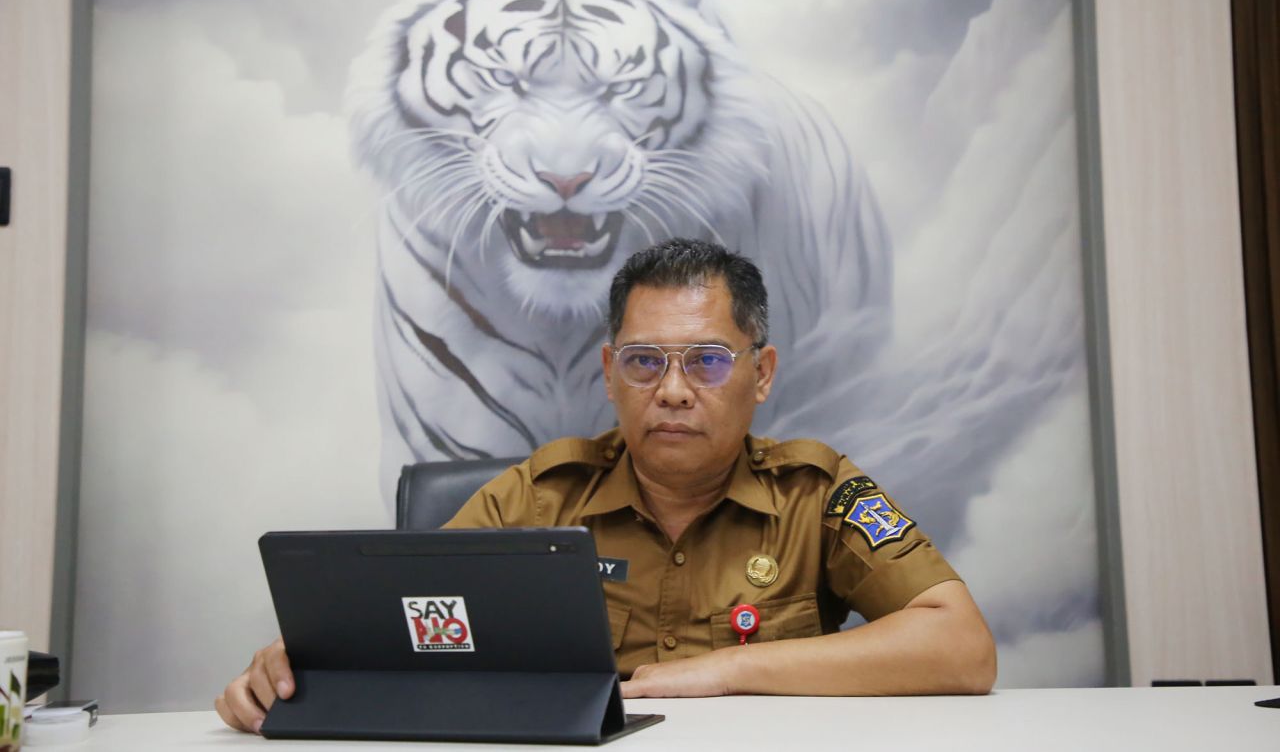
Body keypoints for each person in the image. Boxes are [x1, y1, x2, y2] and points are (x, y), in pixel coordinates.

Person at [216, 239, 995, 733]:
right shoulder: (544, 494)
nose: (674, 390)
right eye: (644, 361)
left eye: (708, 361)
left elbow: (961, 646)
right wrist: (304, 661)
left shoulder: (814, 492)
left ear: (761, 374)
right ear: (609, 373)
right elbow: (402, 625)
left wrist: (729, 670)